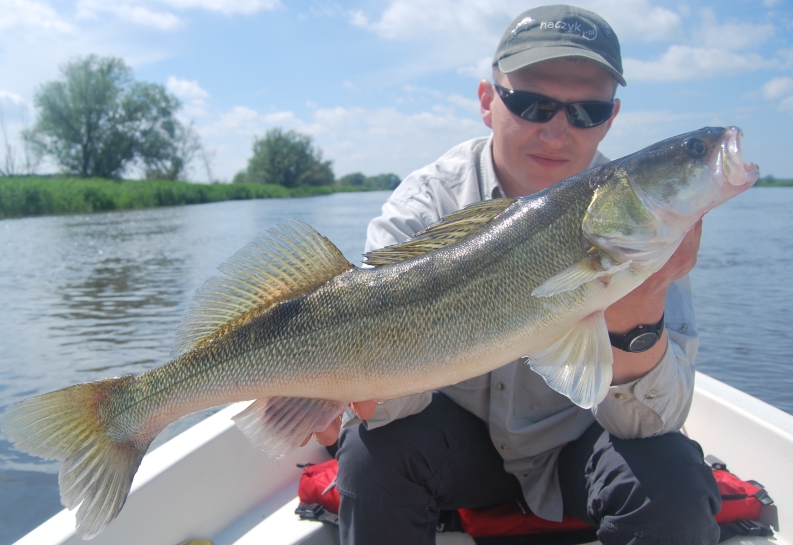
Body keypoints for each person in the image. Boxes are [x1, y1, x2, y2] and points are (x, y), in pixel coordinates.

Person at [307, 5, 720, 545]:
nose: (556, 132)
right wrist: (347, 389)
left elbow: (649, 425)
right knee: (373, 455)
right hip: (458, 444)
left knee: (673, 479)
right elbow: (385, 402)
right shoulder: (428, 203)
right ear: (488, 101)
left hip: (579, 443)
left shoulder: (640, 217)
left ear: (611, 117)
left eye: (587, 111)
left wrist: (638, 314)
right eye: (532, 104)